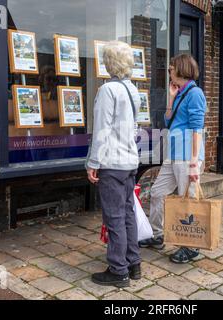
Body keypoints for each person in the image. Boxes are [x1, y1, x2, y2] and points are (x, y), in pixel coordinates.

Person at [139, 54, 207, 264]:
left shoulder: (195, 93)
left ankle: (191, 247)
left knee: (188, 201)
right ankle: (157, 234)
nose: (168, 72)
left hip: (187, 156)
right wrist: (171, 98)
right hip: (174, 154)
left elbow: (197, 129)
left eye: (171, 68)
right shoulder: (180, 93)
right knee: (158, 192)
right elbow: (168, 120)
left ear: (181, 69)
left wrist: (195, 162)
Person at [86, 41, 142, 287]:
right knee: (127, 213)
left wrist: (93, 162)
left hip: (112, 162)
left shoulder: (108, 90)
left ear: (109, 63)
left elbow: (101, 130)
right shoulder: (133, 90)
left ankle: (118, 270)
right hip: (130, 161)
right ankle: (133, 262)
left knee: (114, 217)